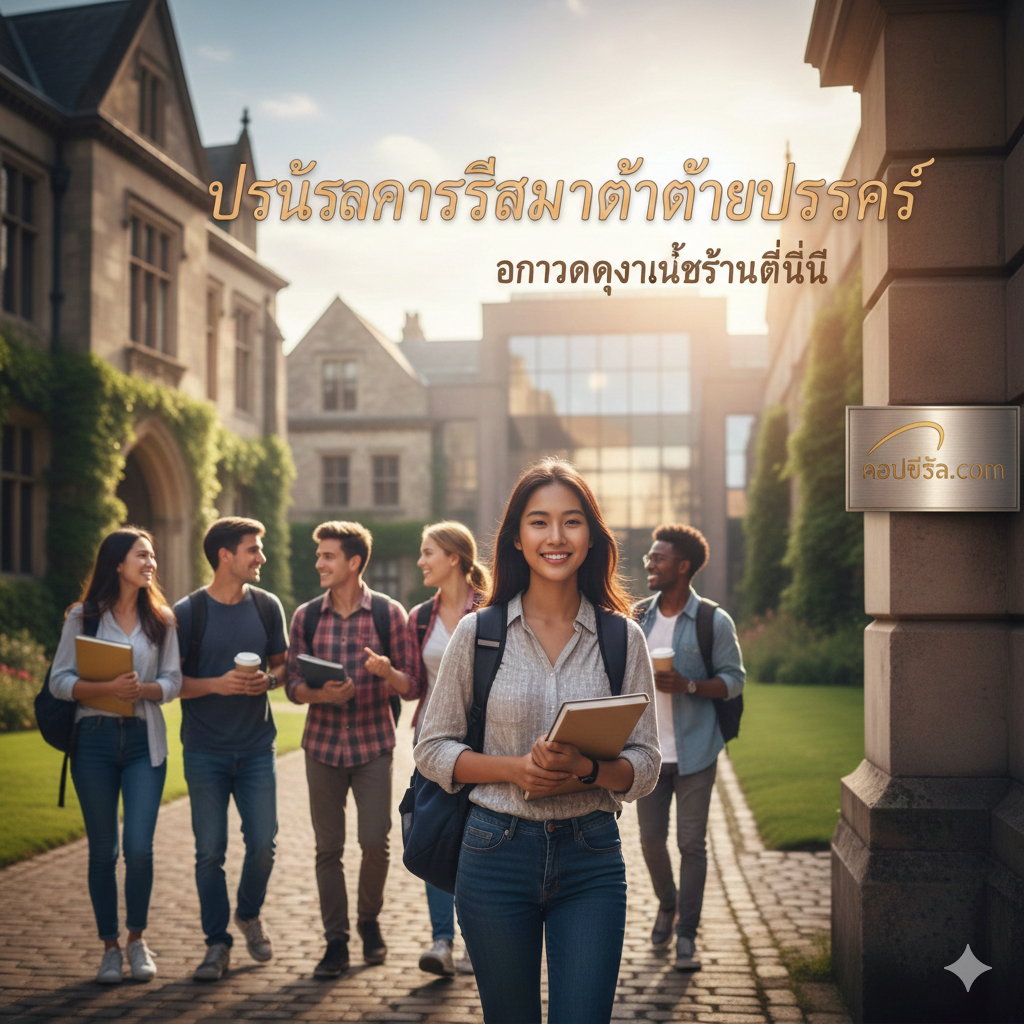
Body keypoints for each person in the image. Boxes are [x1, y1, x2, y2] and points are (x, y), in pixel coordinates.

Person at [415, 459, 660, 1024]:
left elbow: (645, 762)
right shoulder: (479, 633)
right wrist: (513, 770)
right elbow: (432, 748)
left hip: (592, 856)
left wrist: (590, 770)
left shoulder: (624, 638)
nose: (555, 537)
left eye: (572, 522)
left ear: (592, 536)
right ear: (517, 539)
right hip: (493, 853)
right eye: (539, 522)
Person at [286, 521, 419, 979]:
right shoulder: (306, 616)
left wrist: (385, 672)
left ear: (354, 562)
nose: (319, 563)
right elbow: (292, 685)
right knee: (328, 848)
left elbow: (411, 685)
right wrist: (322, 696)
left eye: (328, 556)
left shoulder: (388, 614)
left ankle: (369, 920)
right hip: (320, 747)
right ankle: (336, 941)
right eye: (319, 555)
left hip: (373, 746)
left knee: (375, 843)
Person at [50, 527, 182, 984]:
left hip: (145, 740)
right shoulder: (82, 618)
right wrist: (107, 688)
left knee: (140, 848)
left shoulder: (162, 620)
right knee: (103, 852)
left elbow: (173, 682)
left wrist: (141, 689)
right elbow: (59, 681)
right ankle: (109, 947)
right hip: (95, 742)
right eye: (141, 555)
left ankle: (137, 940)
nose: (150, 563)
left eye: (153, 556)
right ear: (117, 563)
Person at [174, 517, 289, 982]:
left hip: (257, 748)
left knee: (263, 845)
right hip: (205, 751)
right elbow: (173, 684)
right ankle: (216, 944)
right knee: (209, 853)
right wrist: (218, 684)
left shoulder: (267, 606)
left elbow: (284, 667)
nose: (260, 557)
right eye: (252, 549)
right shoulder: (187, 613)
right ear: (225, 554)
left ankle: (247, 912)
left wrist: (269, 681)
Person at [634, 523, 746, 971]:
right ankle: (668, 902)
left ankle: (686, 933)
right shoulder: (637, 616)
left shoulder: (712, 621)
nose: (649, 562)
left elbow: (735, 681)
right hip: (647, 753)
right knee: (649, 842)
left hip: (697, 750)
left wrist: (690, 685)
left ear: (683, 566)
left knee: (692, 844)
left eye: (658, 557)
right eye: (650, 556)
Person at [408, 521, 489, 977]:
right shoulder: (420, 616)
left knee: (481, 843)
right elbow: (414, 685)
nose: (422, 560)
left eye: (428, 552)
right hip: (432, 744)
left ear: (454, 557)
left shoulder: (493, 609)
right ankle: (441, 941)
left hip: (485, 746)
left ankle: (480, 939)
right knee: (436, 837)